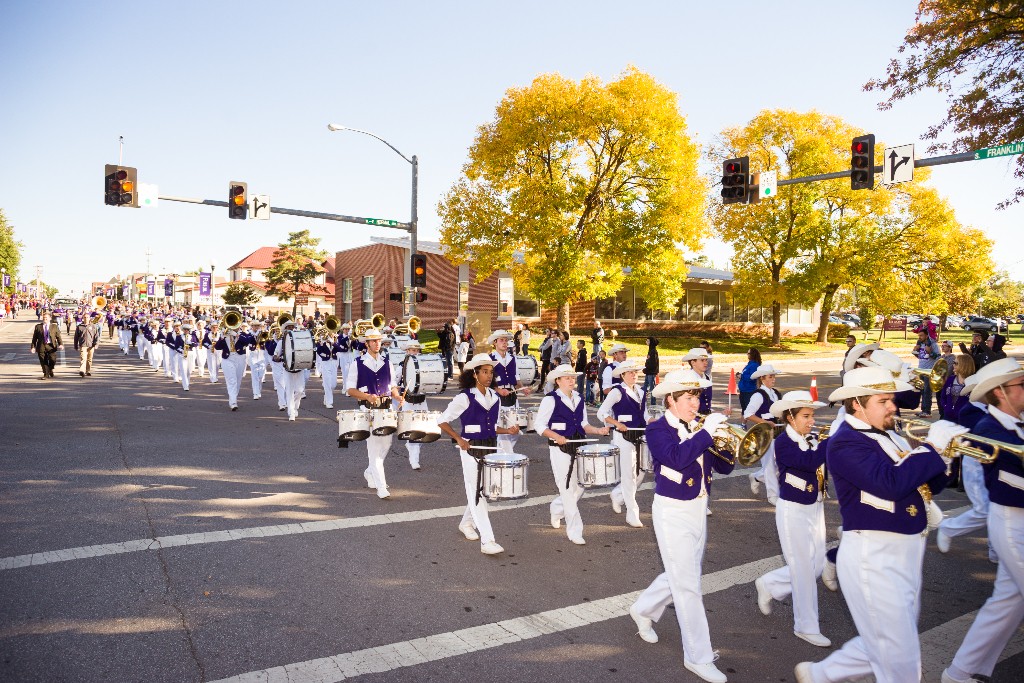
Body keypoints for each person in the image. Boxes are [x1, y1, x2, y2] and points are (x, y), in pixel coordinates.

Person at [794, 366, 963, 683]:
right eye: (883, 400)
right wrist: (932, 448)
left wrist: (946, 459)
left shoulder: (891, 436)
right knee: (901, 657)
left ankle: (820, 674)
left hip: (907, 551)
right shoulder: (844, 443)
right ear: (857, 403)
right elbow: (890, 484)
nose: (893, 406)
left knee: (891, 641)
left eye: (892, 399)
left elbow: (924, 487)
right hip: (874, 556)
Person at [628, 370, 734, 683]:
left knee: (682, 572)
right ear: (671, 399)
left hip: (698, 507)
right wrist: (706, 435)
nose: (695, 403)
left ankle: (643, 609)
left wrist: (724, 442)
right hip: (672, 510)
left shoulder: (700, 427)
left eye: (698, 397)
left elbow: (726, 468)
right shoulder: (657, 429)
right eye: (688, 398)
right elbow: (675, 458)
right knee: (688, 584)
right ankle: (698, 656)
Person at [940, 357, 1024, 683]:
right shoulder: (988, 429)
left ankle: (961, 672)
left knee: (1005, 606)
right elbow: (1008, 484)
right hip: (1013, 526)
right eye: (1020, 385)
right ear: (1001, 392)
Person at [754, 391, 831, 648]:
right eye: (806, 416)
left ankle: (770, 583)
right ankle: (806, 626)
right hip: (793, 510)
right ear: (790, 417)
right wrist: (832, 442)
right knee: (802, 569)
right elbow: (807, 463)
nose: (811, 421)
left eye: (812, 416)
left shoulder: (810, 438)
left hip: (814, 507)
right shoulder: (783, 443)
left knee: (817, 564)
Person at [437, 353, 520, 555]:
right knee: (477, 492)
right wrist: (458, 438)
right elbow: (442, 420)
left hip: (491, 448)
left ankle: (466, 523)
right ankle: (488, 541)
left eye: (491, 372)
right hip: (471, 449)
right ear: (475, 374)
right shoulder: (464, 397)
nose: (489, 376)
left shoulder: (495, 397)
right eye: (484, 372)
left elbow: (492, 426)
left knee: (481, 491)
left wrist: (506, 431)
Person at [536, 364, 611, 545]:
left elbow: (583, 424)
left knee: (581, 487)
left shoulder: (578, 398)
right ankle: (575, 530)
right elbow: (540, 426)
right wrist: (557, 436)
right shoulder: (550, 399)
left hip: (580, 446)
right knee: (568, 488)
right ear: (558, 381)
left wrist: (598, 431)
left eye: (572, 377)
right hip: (560, 448)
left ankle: (557, 508)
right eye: (567, 377)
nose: (571, 380)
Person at [936, 356, 996, 560]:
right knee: (984, 509)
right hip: (976, 465)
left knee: (999, 510)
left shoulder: (989, 410)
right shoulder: (972, 411)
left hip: (992, 465)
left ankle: (996, 550)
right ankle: (949, 528)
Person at [345, 327, 404, 498]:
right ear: (367, 343)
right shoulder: (358, 363)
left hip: (386, 408)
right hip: (368, 409)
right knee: (374, 448)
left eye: (379, 341)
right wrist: (366, 396)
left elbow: (392, 386)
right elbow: (350, 390)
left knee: (387, 445)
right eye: (374, 341)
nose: (377, 344)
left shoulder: (387, 362)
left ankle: (370, 472)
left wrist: (398, 396)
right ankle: (381, 487)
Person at [598, 358, 649, 528]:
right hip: (623, 437)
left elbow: (645, 415)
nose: (634, 375)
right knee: (629, 475)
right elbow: (602, 412)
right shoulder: (617, 391)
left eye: (636, 372)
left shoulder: (641, 392)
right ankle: (632, 512)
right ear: (623, 375)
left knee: (641, 472)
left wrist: (654, 421)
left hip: (640, 436)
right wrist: (616, 423)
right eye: (630, 372)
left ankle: (618, 495)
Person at [487, 329, 533, 453]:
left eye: (506, 340)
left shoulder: (513, 358)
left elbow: (516, 378)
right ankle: (504, 457)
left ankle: (502, 453)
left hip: (512, 397)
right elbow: (486, 380)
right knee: (502, 428)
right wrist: (498, 389)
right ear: (495, 342)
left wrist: (523, 389)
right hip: (497, 398)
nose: (505, 343)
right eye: (501, 340)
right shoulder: (490, 359)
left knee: (515, 429)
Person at [744, 364, 782, 497]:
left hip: (779, 433)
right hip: (764, 434)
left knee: (780, 464)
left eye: (774, 376)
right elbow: (748, 414)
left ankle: (756, 477)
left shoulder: (776, 393)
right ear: (762, 378)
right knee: (770, 466)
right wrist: (766, 422)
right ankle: (773, 495)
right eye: (771, 377)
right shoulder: (758, 395)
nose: (774, 379)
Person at [398, 339, 427, 470]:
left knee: (424, 430)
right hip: (409, 401)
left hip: (422, 400)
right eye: (412, 350)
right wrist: (397, 390)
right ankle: (414, 460)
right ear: (407, 351)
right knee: (413, 430)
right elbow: (394, 381)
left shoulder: (423, 365)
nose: (415, 353)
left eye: (417, 350)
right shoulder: (401, 365)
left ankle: (412, 447)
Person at [912, 329, 941, 417]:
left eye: (921, 335)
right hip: (921, 370)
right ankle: (923, 410)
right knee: (922, 391)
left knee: (927, 391)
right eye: (919, 336)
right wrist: (915, 352)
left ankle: (927, 411)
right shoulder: (920, 344)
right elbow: (921, 357)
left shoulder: (934, 345)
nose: (919, 337)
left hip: (929, 371)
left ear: (926, 335)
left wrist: (930, 352)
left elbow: (938, 358)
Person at [30, 311, 64, 379]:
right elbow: (34, 338)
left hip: (51, 346)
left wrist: (61, 344)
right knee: (43, 361)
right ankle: (46, 374)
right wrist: (33, 347)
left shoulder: (54, 326)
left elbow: (58, 336)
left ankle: (50, 369)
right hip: (41, 346)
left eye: (46, 318)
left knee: (53, 360)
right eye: (44, 317)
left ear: (50, 318)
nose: (45, 319)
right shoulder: (38, 326)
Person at [642, 337, 659, 405]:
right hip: (648, 373)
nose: (646, 342)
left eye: (648, 341)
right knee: (645, 388)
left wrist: (647, 369)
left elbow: (653, 364)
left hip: (651, 373)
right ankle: (643, 401)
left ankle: (653, 403)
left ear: (651, 342)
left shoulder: (653, 352)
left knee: (652, 389)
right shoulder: (650, 351)